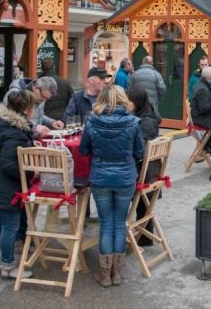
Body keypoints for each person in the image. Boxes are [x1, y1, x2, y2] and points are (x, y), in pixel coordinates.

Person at [80, 85, 144, 288]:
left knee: (106, 223)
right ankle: (117, 273)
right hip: (125, 177)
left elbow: (83, 150)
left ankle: (105, 273)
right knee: (120, 223)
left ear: (102, 99)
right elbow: (140, 151)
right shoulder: (133, 122)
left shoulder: (92, 120)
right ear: (123, 99)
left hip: (101, 177)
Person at [0, 90, 37, 280]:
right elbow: (10, 165)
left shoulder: (4, 125)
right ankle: (8, 266)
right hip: (7, 186)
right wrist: (31, 173)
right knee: (10, 227)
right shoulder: (15, 134)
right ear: (27, 110)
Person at [127, 86, 162, 247]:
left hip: (145, 172)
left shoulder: (145, 121)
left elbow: (139, 151)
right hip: (151, 169)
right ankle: (144, 236)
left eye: (128, 101)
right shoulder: (147, 114)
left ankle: (123, 232)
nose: (125, 104)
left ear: (136, 102)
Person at [191, 66, 211, 156]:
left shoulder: (201, 84)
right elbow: (203, 108)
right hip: (199, 117)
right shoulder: (202, 88)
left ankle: (207, 145)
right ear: (210, 77)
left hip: (200, 115)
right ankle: (207, 146)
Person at [40, 58, 74, 122]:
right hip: (62, 117)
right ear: (54, 67)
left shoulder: (38, 83)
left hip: (45, 118)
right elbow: (72, 101)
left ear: (42, 68)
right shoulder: (65, 82)